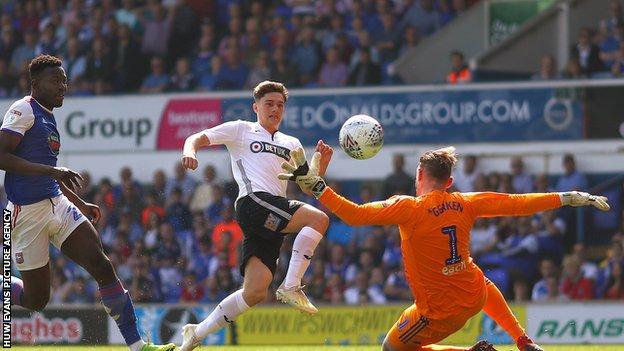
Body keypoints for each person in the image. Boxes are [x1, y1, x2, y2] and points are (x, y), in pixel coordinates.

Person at [286, 146, 610, 351]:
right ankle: (523, 340)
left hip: (438, 314)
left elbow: (354, 215)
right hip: (472, 296)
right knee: (477, 277)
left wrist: (319, 189)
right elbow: (517, 203)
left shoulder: (408, 208)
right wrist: (567, 197)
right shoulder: (466, 202)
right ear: (450, 181)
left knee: (391, 349)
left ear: (419, 175)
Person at [0, 55, 175, 351]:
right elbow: (2, 157)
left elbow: (47, 173)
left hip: (56, 203)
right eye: (55, 81)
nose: (63, 86)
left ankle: (137, 346)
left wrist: (79, 202)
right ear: (35, 84)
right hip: (25, 213)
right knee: (36, 301)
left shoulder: (49, 116)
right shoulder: (23, 109)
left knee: (102, 266)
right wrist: (53, 171)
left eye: (64, 80)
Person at [179, 80, 331, 350]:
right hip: (253, 202)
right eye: (269, 104)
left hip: (272, 211)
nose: (275, 109)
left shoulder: (291, 143)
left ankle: (196, 333)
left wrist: (322, 167)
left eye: (280, 105)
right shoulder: (242, 130)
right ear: (256, 107)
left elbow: (309, 186)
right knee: (319, 219)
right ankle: (292, 285)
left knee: (255, 291)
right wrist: (189, 150)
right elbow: (198, 137)